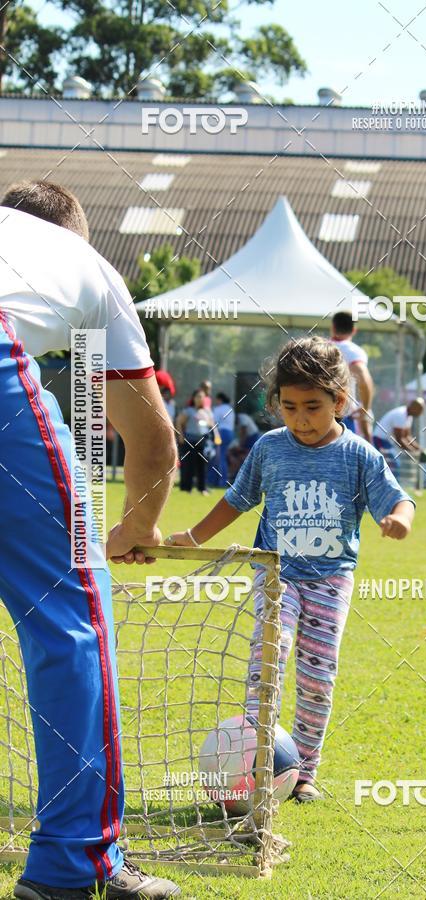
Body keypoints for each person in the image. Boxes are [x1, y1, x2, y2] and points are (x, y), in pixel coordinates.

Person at [0, 181, 179, 897]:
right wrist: (137, 525)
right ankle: (75, 862)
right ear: (74, 234)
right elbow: (153, 442)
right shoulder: (88, 266)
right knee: (71, 619)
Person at [164, 337, 415, 802]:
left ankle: (303, 772)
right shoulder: (269, 447)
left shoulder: (359, 454)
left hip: (331, 579)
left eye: (313, 407)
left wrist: (400, 519)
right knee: (268, 659)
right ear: (276, 402)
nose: (300, 419)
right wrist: (194, 537)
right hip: (275, 573)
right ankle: (253, 760)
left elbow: (399, 498)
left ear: (339, 400)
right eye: (289, 406)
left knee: (318, 678)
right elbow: (237, 500)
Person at [330, 311, 374, 442]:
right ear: (354, 330)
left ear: (333, 327)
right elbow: (364, 380)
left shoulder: (319, 347)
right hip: (342, 416)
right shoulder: (353, 351)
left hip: (316, 412)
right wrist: (365, 408)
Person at [175, 387, 218, 494]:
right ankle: (186, 488)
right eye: (198, 397)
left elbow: (212, 425)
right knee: (188, 465)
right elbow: (179, 422)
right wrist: (180, 436)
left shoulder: (207, 412)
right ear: (193, 398)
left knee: (202, 466)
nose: (200, 399)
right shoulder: (189, 411)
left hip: (203, 442)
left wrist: (216, 436)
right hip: (190, 441)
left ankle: (202, 488)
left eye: (202, 397)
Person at [373, 399, 426, 474]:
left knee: (394, 466)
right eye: (420, 410)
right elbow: (399, 439)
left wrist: (419, 449)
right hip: (380, 440)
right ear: (414, 407)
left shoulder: (409, 416)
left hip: (387, 442)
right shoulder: (401, 414)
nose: (421, 413)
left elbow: (407, 437)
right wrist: (414, 452)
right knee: (392, 466)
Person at [210, 392, 235, 487]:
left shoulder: (218, 409)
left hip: (221, 433)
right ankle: (219, 481)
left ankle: (221, 481)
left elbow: (213, 422)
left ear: (220, 400)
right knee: (222, 456)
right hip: (230, 433)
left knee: (219, 458)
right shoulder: (230, 409)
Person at [227, 410, 261, 478]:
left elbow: (243, 432)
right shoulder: (239, 420)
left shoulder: (242, 418)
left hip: (253, 436)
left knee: (247, 455)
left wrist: (241, 444)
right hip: (249, 437)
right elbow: (242, 434)